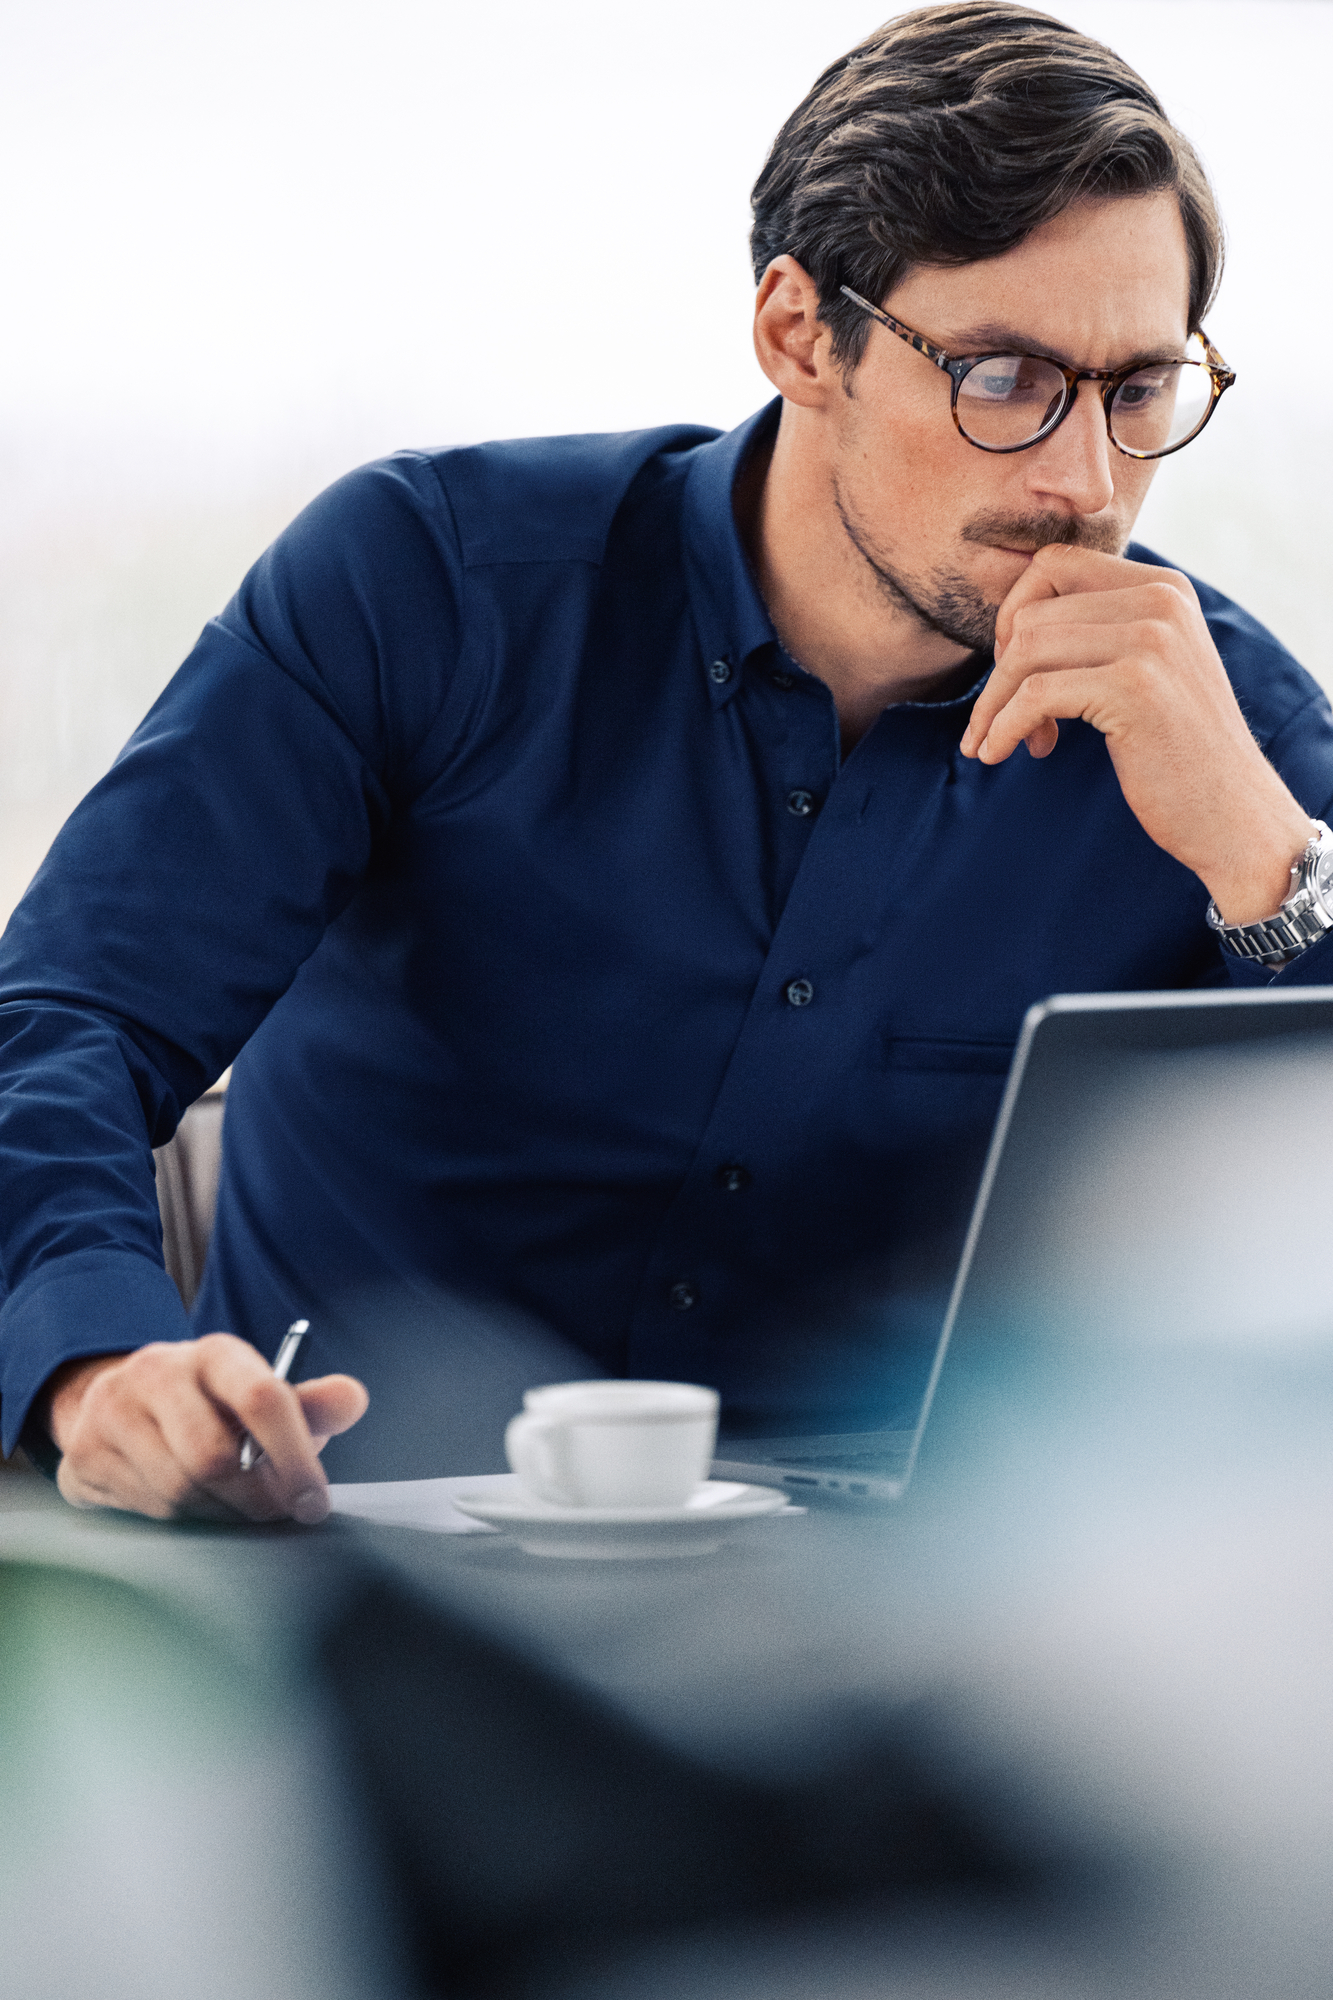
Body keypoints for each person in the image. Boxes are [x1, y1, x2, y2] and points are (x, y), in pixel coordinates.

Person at [3, 0, 1332, 1524]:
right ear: (795, 332)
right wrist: (97, 1370)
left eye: (1137, 391)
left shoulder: (1219, 726)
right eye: (1003, 378)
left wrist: (1266, 870)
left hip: (895, 1660)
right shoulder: (428, 589)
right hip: (349, 1590)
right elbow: (66, 1019)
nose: (1084, 479)